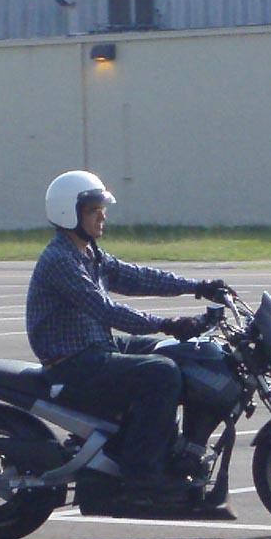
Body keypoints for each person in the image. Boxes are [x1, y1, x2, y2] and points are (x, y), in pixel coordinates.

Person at [25, 170, 228, 498]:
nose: (102, 216)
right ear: (68, 213)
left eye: (102, 208)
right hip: (72, 362)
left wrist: (198, 287)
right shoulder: (61, 260)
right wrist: (166, 323)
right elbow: (106, 310)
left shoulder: (89, 253)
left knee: (172, 351)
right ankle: (142, 471)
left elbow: (137, 277)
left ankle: (168, 447)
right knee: (161, 373)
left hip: (95, 345)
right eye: (94, 210)